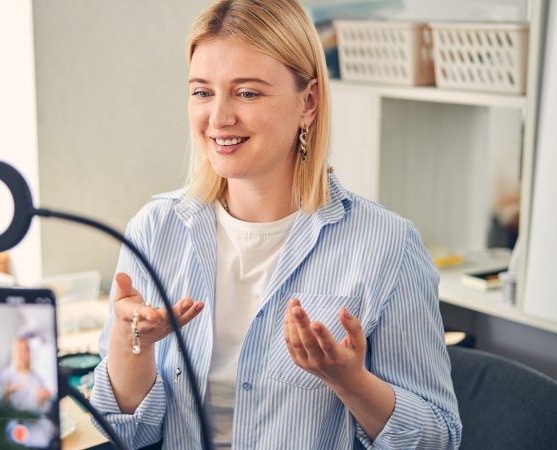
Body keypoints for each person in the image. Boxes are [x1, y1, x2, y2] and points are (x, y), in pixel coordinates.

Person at [90, 0, 462, 448]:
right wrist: (135, 344)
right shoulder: (155, 229)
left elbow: (439, 437)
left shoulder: (387, 245)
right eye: (202, 92)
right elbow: (129, 433)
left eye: (247, 93)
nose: (219, 117)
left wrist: (350, 382)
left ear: (308, 102)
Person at [0, 337, 53, 414]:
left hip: (33, 423)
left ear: (29, 353)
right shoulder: (5, 375)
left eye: (25, 350)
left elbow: (45, 410)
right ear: (13, 353)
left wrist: (42, 400)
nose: (21, 354)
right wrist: (6, 393)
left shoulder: (37, 379)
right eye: (18, 350)